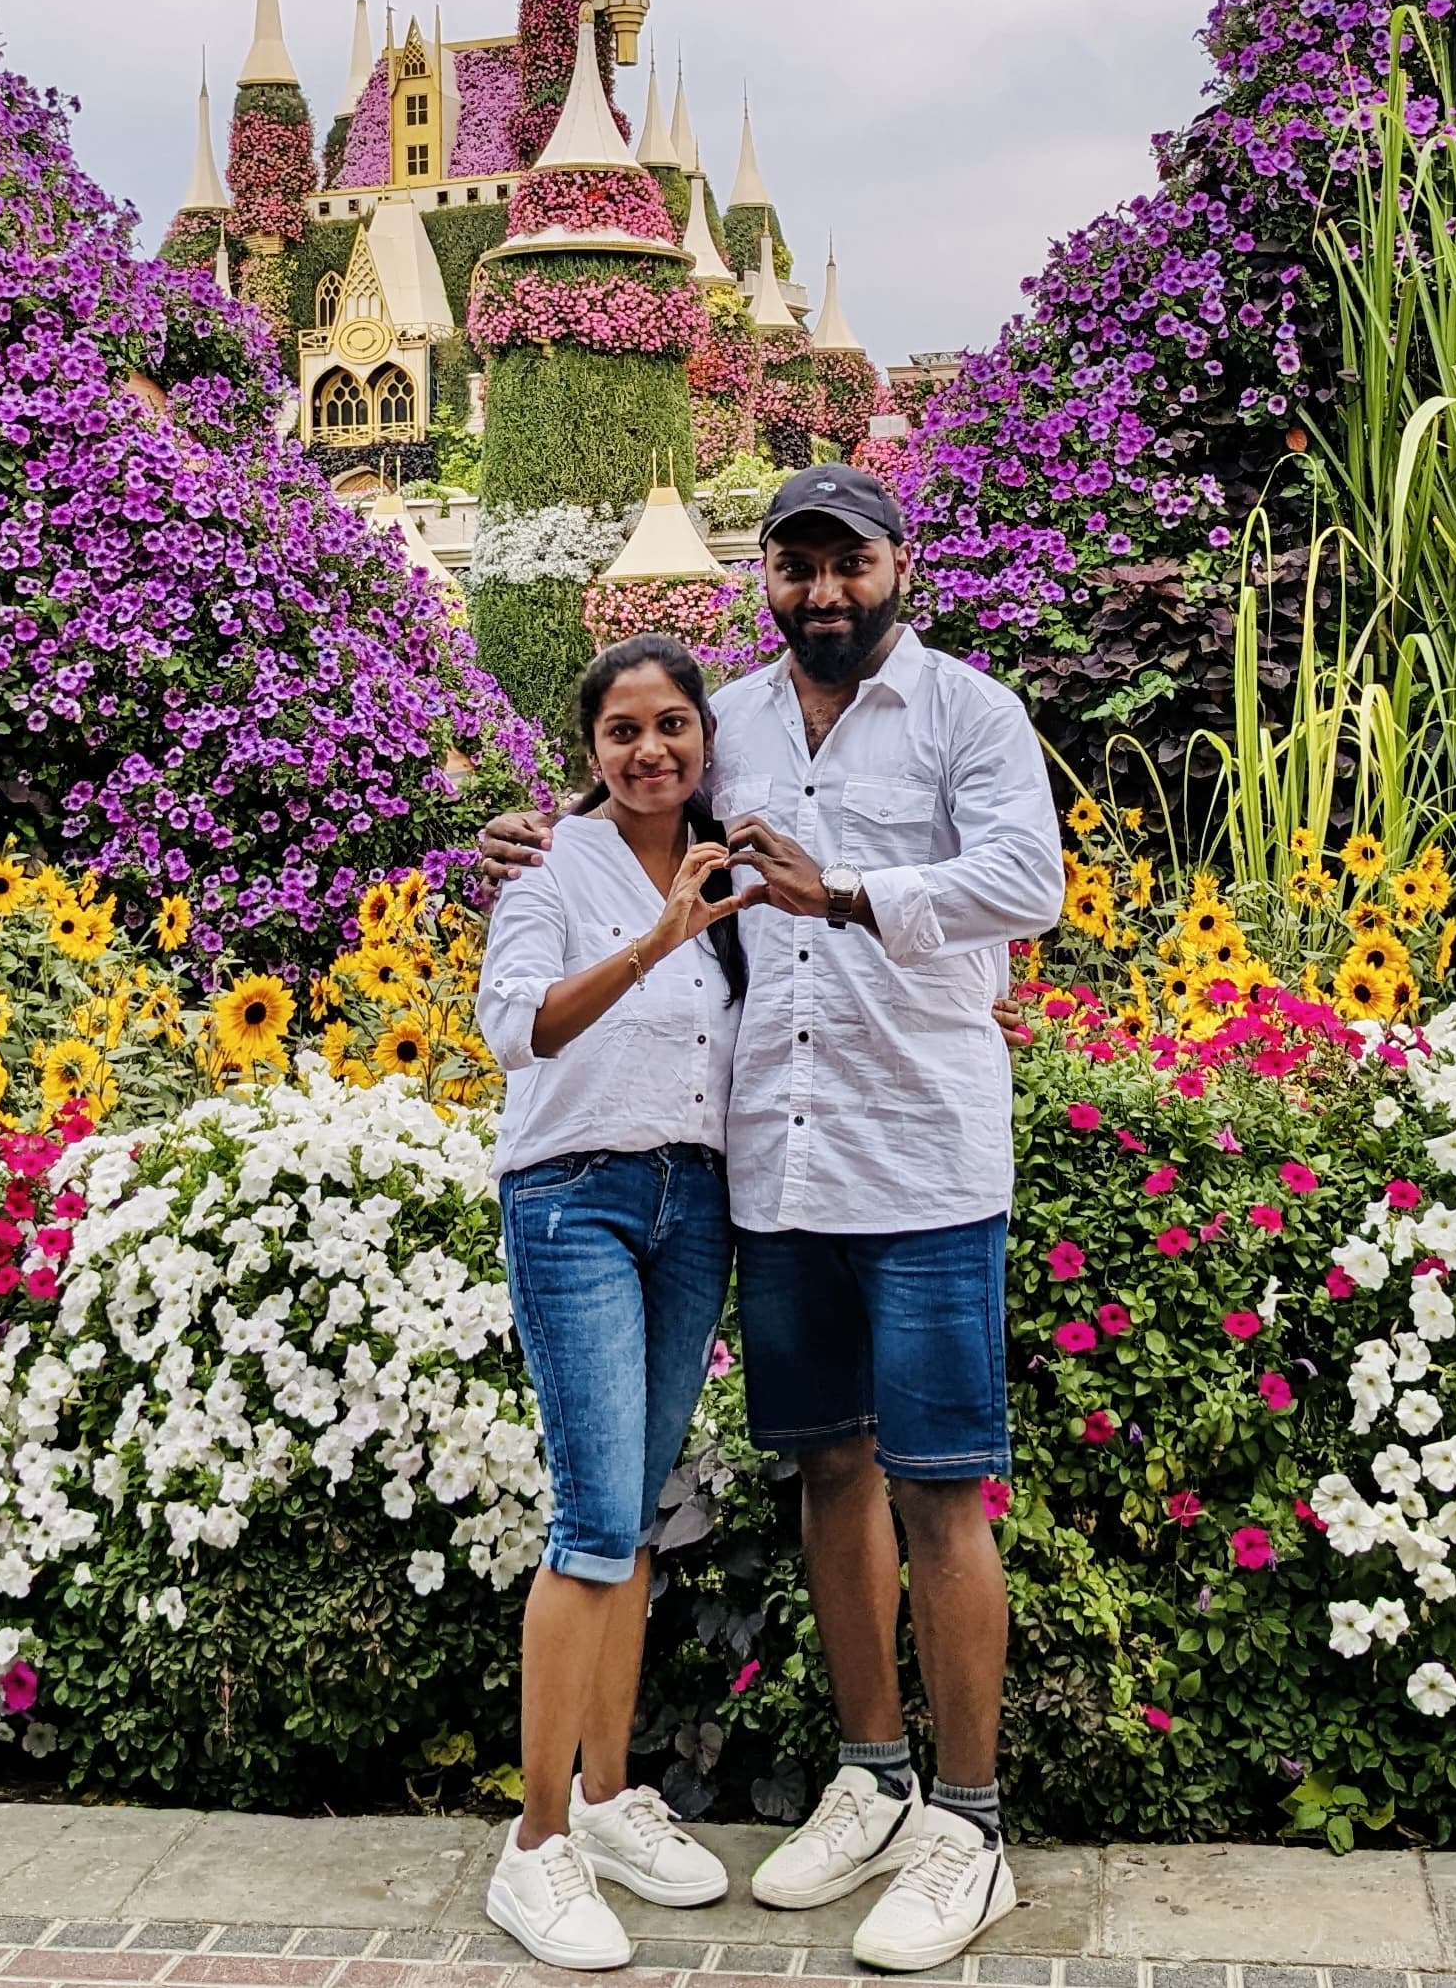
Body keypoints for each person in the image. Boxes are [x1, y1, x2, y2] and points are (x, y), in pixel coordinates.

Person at [479, 465, 1064, 1974]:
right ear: (767, 580)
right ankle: (870, 1773)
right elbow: (634, 783)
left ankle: (969, 1822)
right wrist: (526, 844)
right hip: (777, 1170)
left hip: (925, 1152)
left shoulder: (967, 714)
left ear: (897, 562)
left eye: (846, 562)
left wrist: (849, 893)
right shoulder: (730, 715)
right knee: (828, 1471)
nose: (821, 591)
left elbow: (1026, 880)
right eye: (793, 565)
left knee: (942, 1487)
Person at [474, 632, 761, 1973]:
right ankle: (534, 1851)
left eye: (671, 725)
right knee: (591, 1518)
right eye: (621, 730)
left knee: (637, 1512)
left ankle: (604, 1795)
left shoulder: (732, 861)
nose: (650, 749)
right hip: (573, 1197)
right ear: (587, 748)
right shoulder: (547, 867)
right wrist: (659, 936)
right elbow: (516, 1026)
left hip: (691, 1202)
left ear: (705, 735)